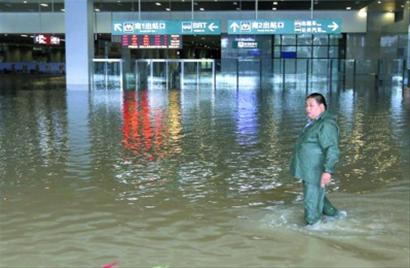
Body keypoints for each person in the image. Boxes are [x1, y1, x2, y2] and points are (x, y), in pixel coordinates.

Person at [290, 93, 346, 226]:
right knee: (315, 194)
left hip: (315, 170)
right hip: (309, 169)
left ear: (321, 107)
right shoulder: (316, 123)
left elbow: (332, 149)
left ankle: (313, 226)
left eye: (311, 105)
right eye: (306, 106)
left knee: (311, 200)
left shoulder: (326, 125)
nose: (307, 109)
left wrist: (328, 170)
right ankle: (335, 215)